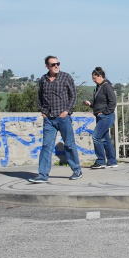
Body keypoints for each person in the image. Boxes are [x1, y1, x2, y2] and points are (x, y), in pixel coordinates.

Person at [28, 55, 81, 183]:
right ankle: (43, 175)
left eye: (58, 63)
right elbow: (39, 97)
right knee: (46, 146)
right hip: (49, 120)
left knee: (69, 144)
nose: (56, 66)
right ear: (47, 66)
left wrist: (67, 111)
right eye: (53, 64)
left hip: (63, 118)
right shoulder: (43, 79)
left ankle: (77, 170)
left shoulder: (66, 77)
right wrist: (43, 111)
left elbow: (73, 96)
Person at [84, 67, 119, 169]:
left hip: (106, 117)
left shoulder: (106, 86)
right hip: (101, 116)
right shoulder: (99, 87)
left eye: (94, 78)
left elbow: (113, 102)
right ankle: (112, 161)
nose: (93, 80)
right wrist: (90, 104)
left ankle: (100, 161)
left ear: (100, 76)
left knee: (96, 137)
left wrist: (104, 112)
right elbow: (99, 103)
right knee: (105, 139)